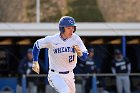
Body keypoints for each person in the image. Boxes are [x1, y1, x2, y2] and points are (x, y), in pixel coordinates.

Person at [32, 16, 88, 93]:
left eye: (73, 27)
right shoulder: (52, 39)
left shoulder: (76, 39)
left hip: (70, 74)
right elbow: (37, 45)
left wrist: (81, 54)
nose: (71, 30)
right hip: (55, 74)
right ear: (62, 29)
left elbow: (85, 57)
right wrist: (35, 61)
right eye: (68, 28)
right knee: (65, 90)